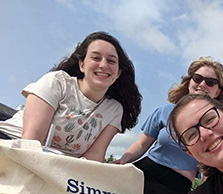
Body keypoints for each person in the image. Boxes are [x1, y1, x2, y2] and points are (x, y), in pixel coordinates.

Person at [0, 31, 142, 162]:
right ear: (82, 65)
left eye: (111, 61)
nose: (103, 65)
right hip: (11, 145)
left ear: (118, 73)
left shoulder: (114, 110)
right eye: (96, 58)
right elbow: (31, 141)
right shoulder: (57, 82)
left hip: (57, 166)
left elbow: (93, 159)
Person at [114, 57, 223, 194]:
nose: (202, 84)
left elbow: (209, 169)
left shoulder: (218, 125)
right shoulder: (165, 111)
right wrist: (122, 161)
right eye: (197, 78)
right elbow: (142, 144)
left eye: (210, 82)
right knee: (108, 186)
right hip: (145, 170)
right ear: (189, 82)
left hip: (176, 186)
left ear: (217, 91)